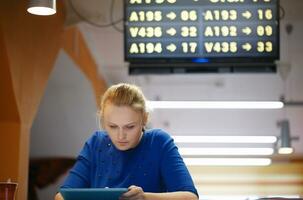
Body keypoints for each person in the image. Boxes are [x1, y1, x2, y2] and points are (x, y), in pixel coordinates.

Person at [54, 83, 198, 200]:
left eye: (129, 127)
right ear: (103, 121)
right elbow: (62, 196)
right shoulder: (96, 143)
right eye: (113, 126)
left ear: (144, 119)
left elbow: (190, 197)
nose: (121, 135)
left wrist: (145, 197)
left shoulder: (158, 142)